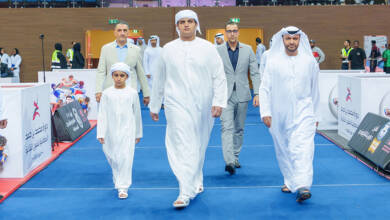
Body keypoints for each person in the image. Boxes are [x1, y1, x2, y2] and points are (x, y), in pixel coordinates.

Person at [149, 9, 227, 208]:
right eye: (181, 22)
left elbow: (219, 76)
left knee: (199, 144)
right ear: (177, 26)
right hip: (175, 103)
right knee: (182, 144)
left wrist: (219, 101)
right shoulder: (167, 49)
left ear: (196, 24)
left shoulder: (208, 48)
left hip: (203, 104)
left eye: (190, 21)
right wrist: (155, 105)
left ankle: (196, 180)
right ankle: (184, 191)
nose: (186, 25)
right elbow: (159, 78)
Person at [259, 26, 320, 203]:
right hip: (279, 113)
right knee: (284, 148)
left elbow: (315, 90)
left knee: (303, 147)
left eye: (295, 39)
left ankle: (303, 185)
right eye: (288, 39)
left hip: (305, 112)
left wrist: (317, 115)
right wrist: (266, 111)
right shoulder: (274, 61)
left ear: (300, 40)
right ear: (282, 40)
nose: (291, 42)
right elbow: (264, 88)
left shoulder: (309, 62)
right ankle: (290, 181)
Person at [216, 21, 260, 175]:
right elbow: (213, 74)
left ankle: (235, 157)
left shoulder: (248, 50)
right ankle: (229, 161)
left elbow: (254, 72)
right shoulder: (218, 50)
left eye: (234, 31)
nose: (232, 34)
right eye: (229, 31)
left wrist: (257, 93)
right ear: (226, 33)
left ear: (238, 32)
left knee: (239, 129)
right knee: (226, 128)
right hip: (224, 95)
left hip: (242, 94)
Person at [97, 62, 142, 200]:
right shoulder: (107, 93)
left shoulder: (132, 93)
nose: (118, 78)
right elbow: (102, 113)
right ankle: (118, 179)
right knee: (112, 156)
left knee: (125, 157)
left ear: (127, 77)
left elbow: (137, 113)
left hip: (128, 129)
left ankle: (123, 187)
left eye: (122, 75)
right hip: (110, 130)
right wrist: (101, 132)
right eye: (116, 75)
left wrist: (138, 133)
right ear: (112, 76)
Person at [95, 21, 150, 106]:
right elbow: (101, 71)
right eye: (119, 30)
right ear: (115, 33)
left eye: (125, 30)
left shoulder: (136, 49)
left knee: (129, 117)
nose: (122, 33)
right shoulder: (106, 49)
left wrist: (146, 93)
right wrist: (98, 90)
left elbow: (141, 72)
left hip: (130, 90)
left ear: (128, 33)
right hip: (110, 89)